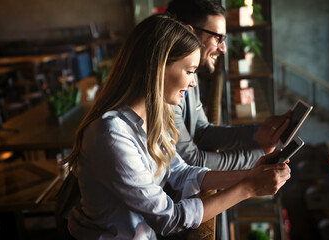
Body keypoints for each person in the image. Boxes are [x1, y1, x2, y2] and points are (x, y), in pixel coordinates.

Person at [61, 14, 291, 240]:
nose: (193, 82)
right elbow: (169, 219)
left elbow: (182, 173)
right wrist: (249, 188)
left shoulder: (156, 115)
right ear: (159, 67)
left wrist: (249, 175)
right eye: (189, 71)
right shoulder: (111, 135)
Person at [166, 0, 290, 170]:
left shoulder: (190, 74)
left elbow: (201, 131)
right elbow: (192, 161)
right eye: (218, 38)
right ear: (190, 33)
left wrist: (259, 133)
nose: (223, 49)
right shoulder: (167, 89)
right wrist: (260, 155)